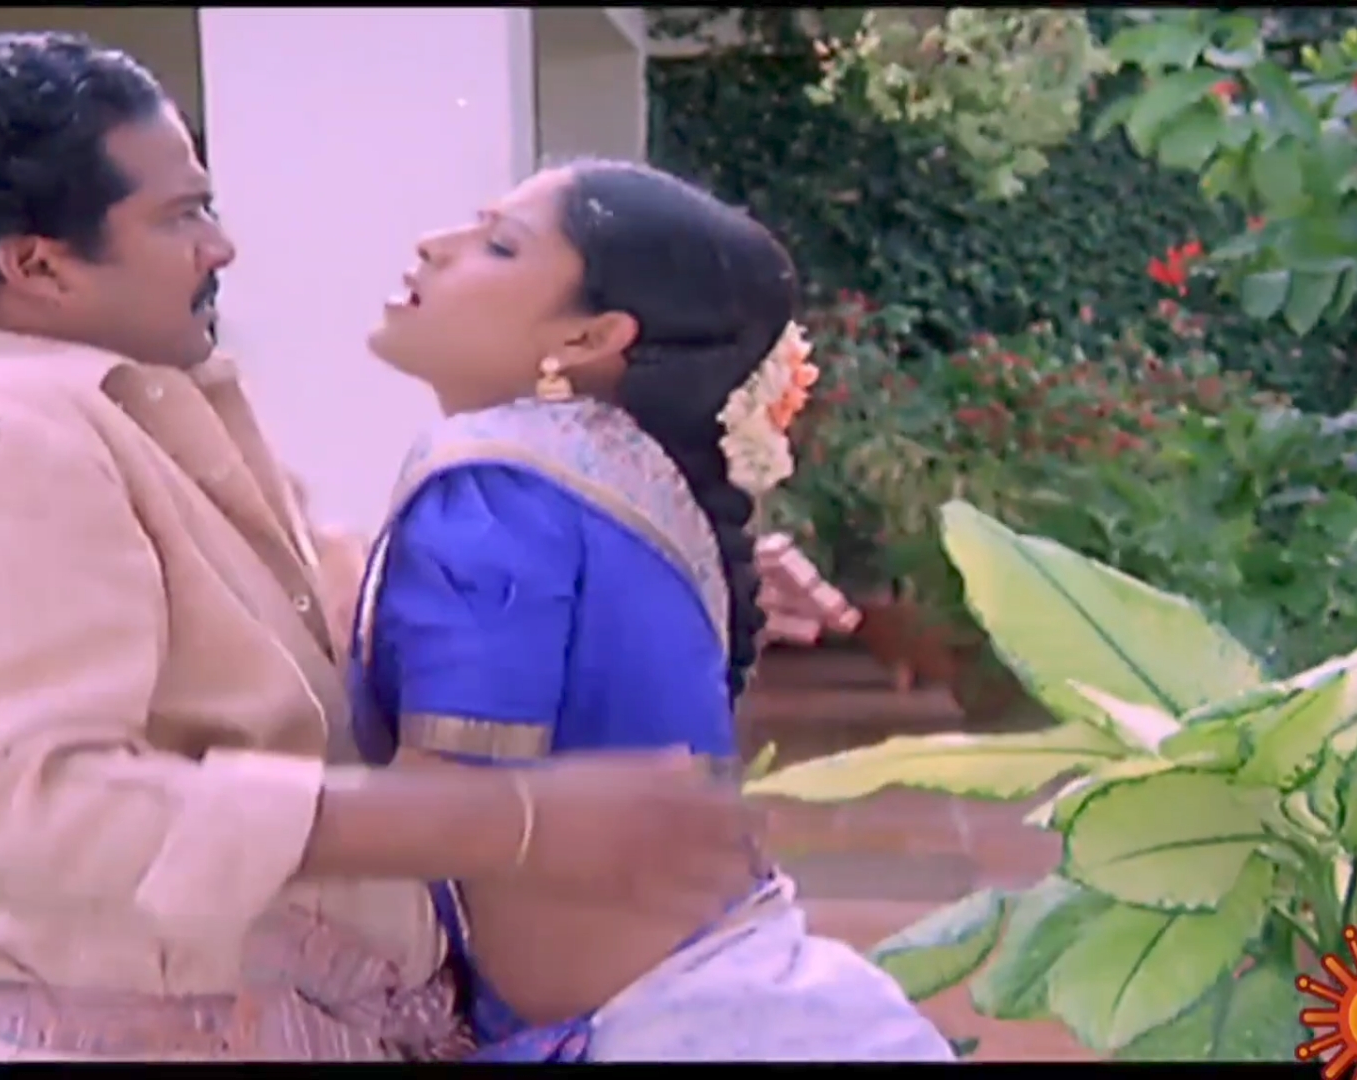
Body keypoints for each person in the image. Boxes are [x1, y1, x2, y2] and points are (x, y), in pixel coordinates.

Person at [0, 34, 779, 1062]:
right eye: (180, 216)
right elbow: (14, 810)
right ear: (37, 265)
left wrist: (632, 552)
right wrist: (507, 818)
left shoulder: (113, 409)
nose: (220, 247)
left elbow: (318, 619)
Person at [350, 159, 954, 1061]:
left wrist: (190, 811)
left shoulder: (493, 486)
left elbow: (440, 808)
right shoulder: (620, 476)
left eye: (499, 244)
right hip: (744, 996)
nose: (437, 246)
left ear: (591, 336)